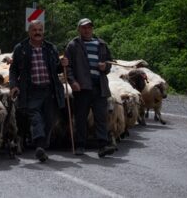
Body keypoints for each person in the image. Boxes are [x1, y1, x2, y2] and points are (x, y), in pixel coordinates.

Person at [9, 20, 65, 162]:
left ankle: (42, 145)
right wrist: (14, 85)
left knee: (49, 119)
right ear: (29, 32)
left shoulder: (51, 48)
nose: (37, 32)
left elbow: (57, 69)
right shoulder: (21, 48)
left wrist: (63, 64)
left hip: (49, 90)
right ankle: (39, 146)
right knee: (36, 119)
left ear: (43, 31)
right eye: (34, 30)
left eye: (40, 30)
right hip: (30, 90)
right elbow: (14, 69)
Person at [64, 18, 117, 157]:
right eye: (84, 28)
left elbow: (109, 63)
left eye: (89, 27)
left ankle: (102, 146)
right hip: (82, 87)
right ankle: (80, 145)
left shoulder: (102, 44)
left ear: (92, 29)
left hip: (99, 86)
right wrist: (72, 81)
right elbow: (67, 67)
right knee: (81, 117)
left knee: (101, 116)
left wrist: (106, 66)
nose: (87, 30)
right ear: (79, 29)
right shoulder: (73, 45)